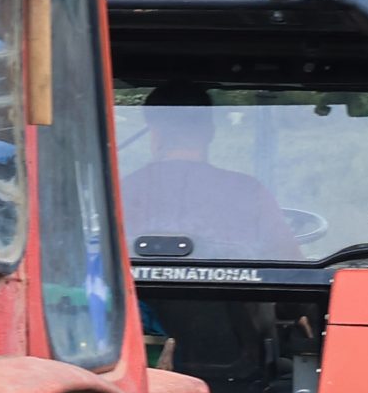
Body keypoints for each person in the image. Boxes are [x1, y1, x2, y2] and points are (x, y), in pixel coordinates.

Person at [120, 84, 301, 262]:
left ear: (155, 134)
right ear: (210, 132)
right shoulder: (248, 191)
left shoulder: (123, 192)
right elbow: (290, 263)